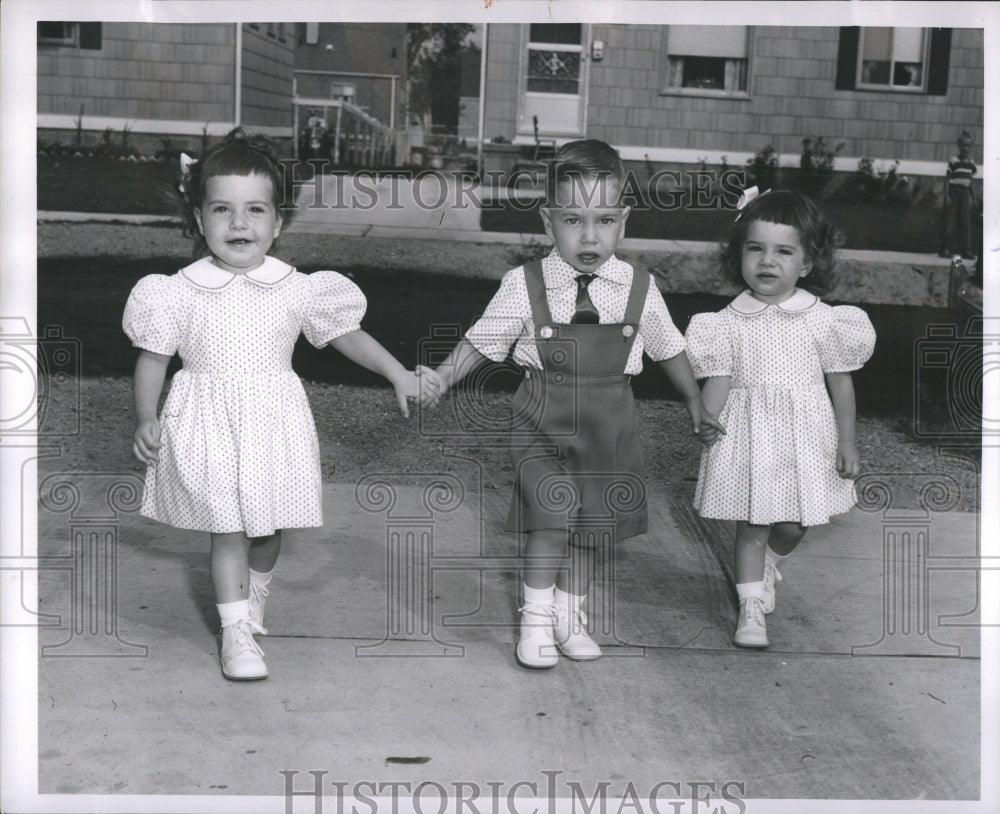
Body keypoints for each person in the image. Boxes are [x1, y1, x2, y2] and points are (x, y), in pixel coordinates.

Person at [122, 127, 441, 681]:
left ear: (278, 221)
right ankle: (235, 631)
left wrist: (396, 372)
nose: (238, 224)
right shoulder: (176, 290)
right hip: (206, 421)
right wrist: (147, 417)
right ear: (199, 219)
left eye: (254, 211)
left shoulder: (296, 287)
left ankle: (256, 592)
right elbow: (153, 359)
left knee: (266, 531)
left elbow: (346, 335)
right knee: (228, 528)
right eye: (222, 209)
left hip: (273, 422)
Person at [420, 139, 723, 668]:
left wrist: (695, 399)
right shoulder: (524, 283)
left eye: (604, 220)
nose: (589, 235)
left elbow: (669, 346)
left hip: (610, 420)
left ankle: (569, 613)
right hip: (542, 415)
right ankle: (534, 620)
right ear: (548, 221)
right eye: (573, 220)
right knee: (551, 519)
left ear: (623, 222)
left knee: (593, 525)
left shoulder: (640, 287)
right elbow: (484, 339)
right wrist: (443, 378)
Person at [686, 187, 876, 648]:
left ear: (806, 264)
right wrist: (706, 418)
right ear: (740, 255)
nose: (767, 261)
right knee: (751, 522)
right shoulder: (726, 322)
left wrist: (846, 442)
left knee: (796, 523)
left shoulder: (824, 320)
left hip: (807, 436)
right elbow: (719, 377)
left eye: (783, 251)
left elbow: (841, 384)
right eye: (756, 249)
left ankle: (770, 561)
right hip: (750, 437)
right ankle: (750, 608)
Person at [939, 129, 978, 260]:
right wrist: (946, 195)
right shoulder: (954, 161)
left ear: (971, 147)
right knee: (949, 221)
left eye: (968, 145)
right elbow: (947, 178)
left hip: (965, 194)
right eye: (963, 145)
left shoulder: (971, 163)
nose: (965, 148)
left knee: (965, 222)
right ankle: (944, 248)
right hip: (954, 192)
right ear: (958, 146)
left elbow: (970, 181)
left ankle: (966, 250)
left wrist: (973, 197)